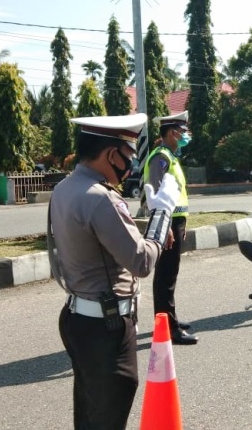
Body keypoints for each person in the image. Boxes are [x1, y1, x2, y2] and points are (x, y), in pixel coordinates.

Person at [49, 113, 178, 429]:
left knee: (90, 411)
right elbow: (141, 262)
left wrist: (151, 230)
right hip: (105, 327)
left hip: (78, 317)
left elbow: (107, 239)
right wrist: (162, 214)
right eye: (130, 156)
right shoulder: (100, 198)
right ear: (111, 154)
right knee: (108, 413)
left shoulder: (66, 188)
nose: (131, 165)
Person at [144, 111, 198, 345]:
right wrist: (164, 227)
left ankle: (168, 318)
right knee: (166, 275)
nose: (185, 134)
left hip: (174, 222)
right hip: (165, 223)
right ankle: (169, 328)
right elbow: (155, 195)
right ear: (171, 132)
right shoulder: (160, 158)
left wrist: (181, 223)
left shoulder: (170, 157)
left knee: (170, 273)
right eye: (182, 130)